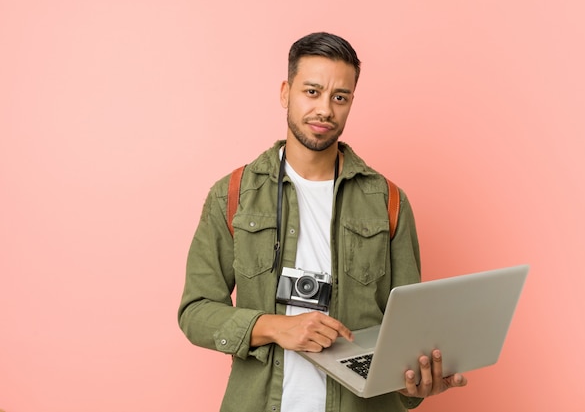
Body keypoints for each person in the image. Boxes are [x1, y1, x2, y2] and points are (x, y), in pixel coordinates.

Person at [178, 32, 467, 412]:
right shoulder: (232, 194)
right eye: (312, 92)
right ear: (286, 93)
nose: (325, 110)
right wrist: (277, 327)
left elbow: (407, 335)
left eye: (340, 97)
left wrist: (415, 384)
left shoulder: (389, 201)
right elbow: (196, 311)